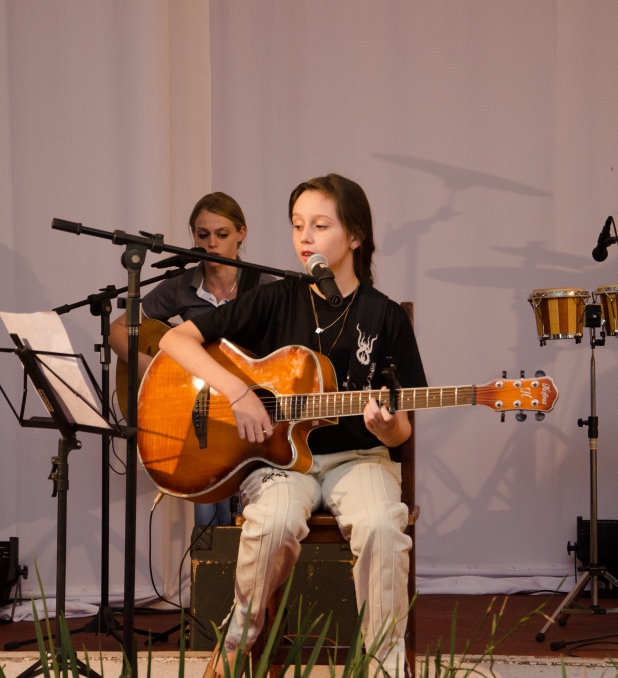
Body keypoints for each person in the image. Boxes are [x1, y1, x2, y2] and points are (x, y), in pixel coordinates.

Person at [159, 174, 427, 677]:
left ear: (355, 236)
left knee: (381, 527)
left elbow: (402, 429)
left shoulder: (385, 316)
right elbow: (175, 342)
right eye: (297, 225)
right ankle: (237, 643)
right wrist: (238, 391)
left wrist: (386, 429)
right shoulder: (277, 298)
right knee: (273, 524)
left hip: (360, 458)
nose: (305, 237)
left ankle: (384, 666)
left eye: (320, 225)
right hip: (281, 461)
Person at [110, 191, 269, 527]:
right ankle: (207, 555)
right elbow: (117, 330)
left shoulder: (266, 288)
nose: (212, 244)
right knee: (203, 497)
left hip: (244, 409)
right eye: (203, 234)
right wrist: (149, 368)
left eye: (222, 234)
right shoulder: (180, 286)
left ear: (241, 233)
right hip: (196, 407)